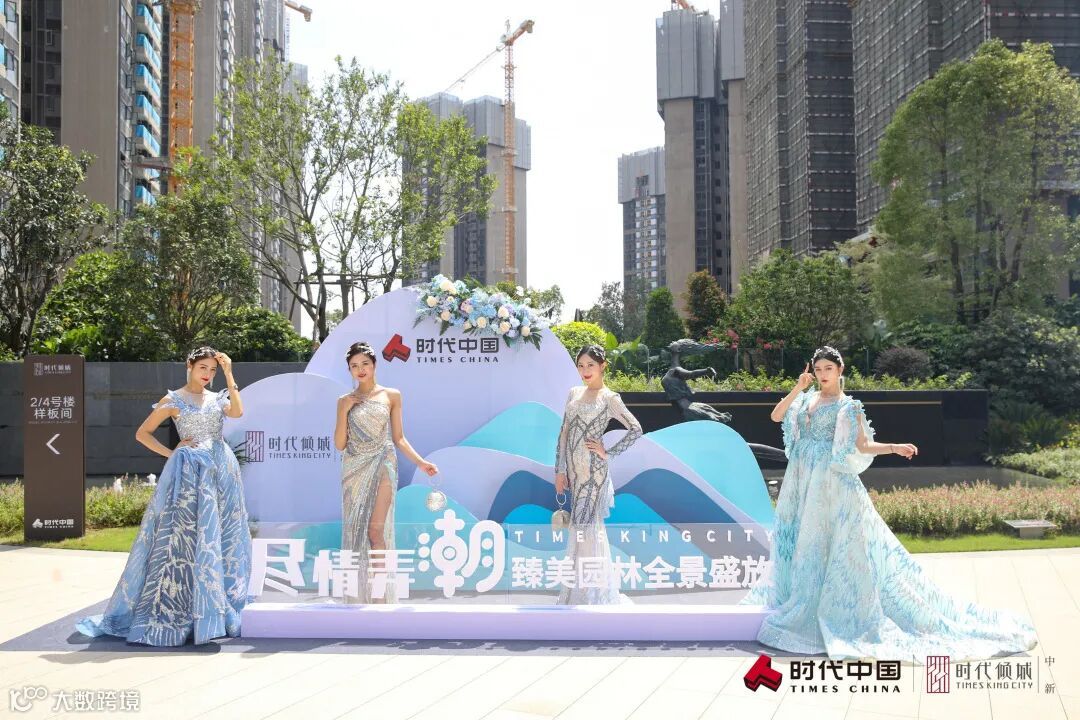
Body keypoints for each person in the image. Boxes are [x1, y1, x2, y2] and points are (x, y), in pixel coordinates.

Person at [739, 346, 1038, 660]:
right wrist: (798, 388)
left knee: (832, 545)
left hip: (831, 484)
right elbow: (776, 416)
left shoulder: (847, 406)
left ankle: (832, 611)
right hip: (801, 480)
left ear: (840, 370)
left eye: (829, 368)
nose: (823, 374)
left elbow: (863, 445)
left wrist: (894, 447)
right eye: (818, 369)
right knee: (802, 541)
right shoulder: (805, 399)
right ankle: (802, 601)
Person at [76, 347, 250, 646]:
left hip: (222, 470)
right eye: (203, 368)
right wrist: (173, 453)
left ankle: (216, 607)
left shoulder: (216, 398)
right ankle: (185, 608)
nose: (208, 375)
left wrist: (230, 373)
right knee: (187, 537)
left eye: (212, 370)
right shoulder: (173, 400)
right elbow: (142, 433)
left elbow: (237, 412)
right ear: (189, 366)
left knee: (223, 534)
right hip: (190, 473)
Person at [335, 341, 438, 603]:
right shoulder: (344, 401)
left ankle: (380, 597)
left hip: (383, 465)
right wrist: (345, 409)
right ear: (349, 370)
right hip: (354, 469)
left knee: (375, 531)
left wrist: (421, 463)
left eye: (365, 364)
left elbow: (399, 438)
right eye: (354, 366)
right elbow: (339, 444)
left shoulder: (392, 395)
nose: (360, 369)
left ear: (374, 365)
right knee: (356, 532)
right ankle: (358, 597)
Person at [553, 344, 643, 605]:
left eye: (590, 365)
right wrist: (559, 470)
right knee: (581, 529)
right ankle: (579, 591)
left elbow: (636, 429)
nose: (585, 370)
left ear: (603, 366)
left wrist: (608, 453)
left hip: (595, 473)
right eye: (581, 365)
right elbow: (564, 434)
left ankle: (592, 594)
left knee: (586, 529)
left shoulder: (610, 398)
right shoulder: (574, 393)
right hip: (574, 473)